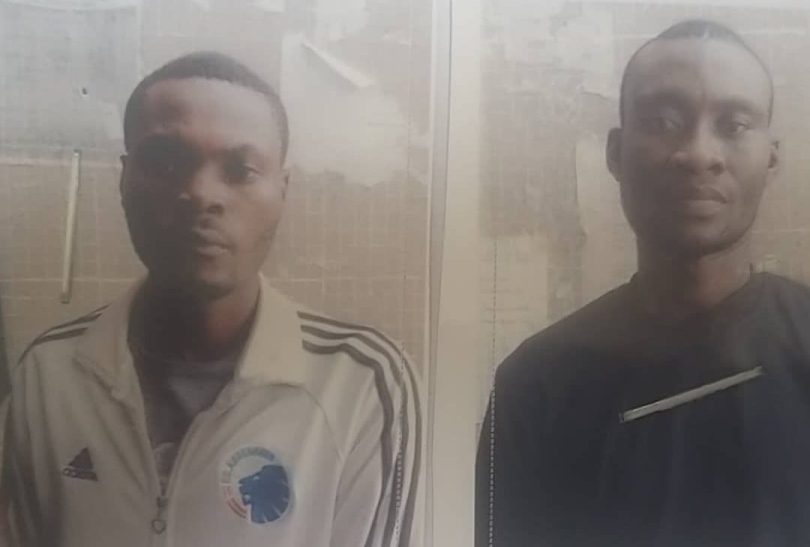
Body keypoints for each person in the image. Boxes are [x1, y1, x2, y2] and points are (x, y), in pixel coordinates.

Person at [2, 51, 421, 547]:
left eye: (241, 170)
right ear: (124, 180)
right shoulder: (48, 375)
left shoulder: (360, 384)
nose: (201, 194)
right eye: (165, 162)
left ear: (283, 190)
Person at [476, 19, 810, 546]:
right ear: (615, 152)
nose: (699, 154)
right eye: (663, 121)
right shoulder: (535, 386)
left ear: (771, 158)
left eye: (734, 125)